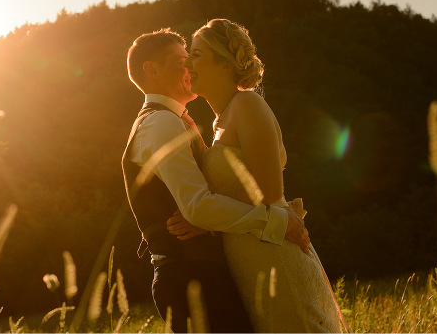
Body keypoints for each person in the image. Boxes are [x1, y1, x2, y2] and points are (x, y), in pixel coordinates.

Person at [121, 28, 310, 333]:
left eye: (194, 57)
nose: (190, 67)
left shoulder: (186, 120)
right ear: (151, 69)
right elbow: (198, 207)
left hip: (212, 272)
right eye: (182, 59)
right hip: (190, 276)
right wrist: (276, 222)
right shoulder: (160, 123)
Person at [166, 18, 342, 332]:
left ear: (224, 64)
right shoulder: (220, 122)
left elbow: (269, 192)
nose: (187, 64)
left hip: (275, 254)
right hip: (247, 261)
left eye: (196, 54)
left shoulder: (247, 104)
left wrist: (203, 216)